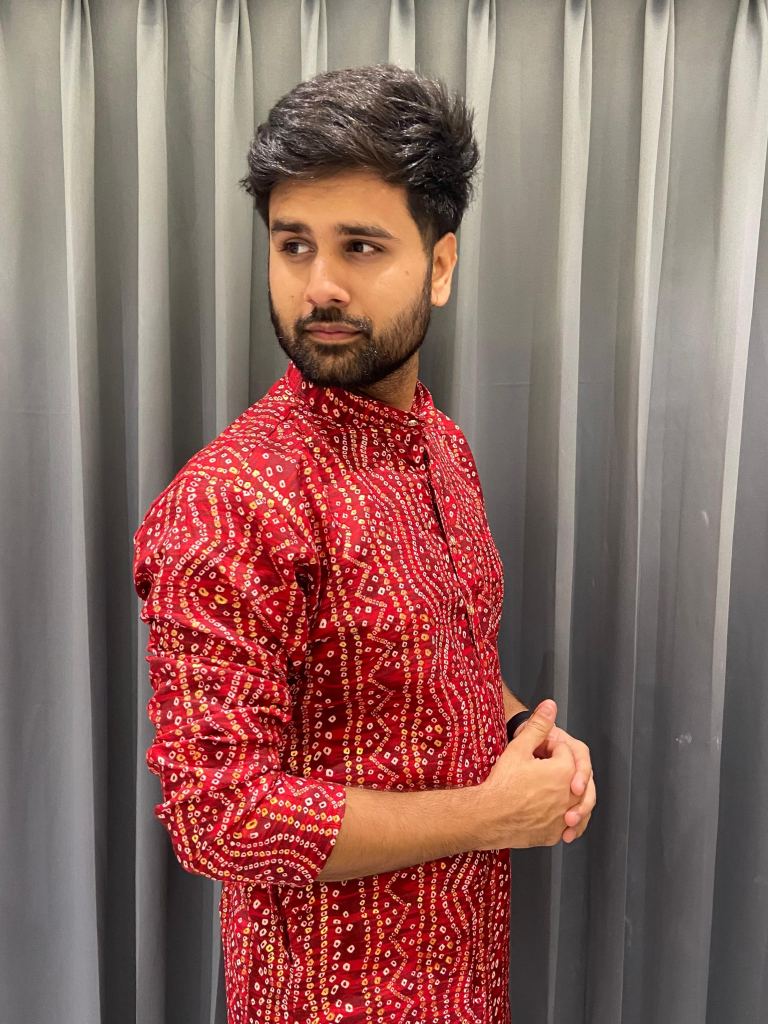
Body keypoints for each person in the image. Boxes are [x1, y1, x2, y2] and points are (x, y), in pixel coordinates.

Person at [132, 62, 596, 1024]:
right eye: (293, 244)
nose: (321, 285)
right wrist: (489, 815)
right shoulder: (230, 503)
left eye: (361, 246)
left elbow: (444, 666)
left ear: (440, 265)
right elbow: (219, 815)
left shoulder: (444, 448)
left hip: (469, 978)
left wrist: (528, 735)